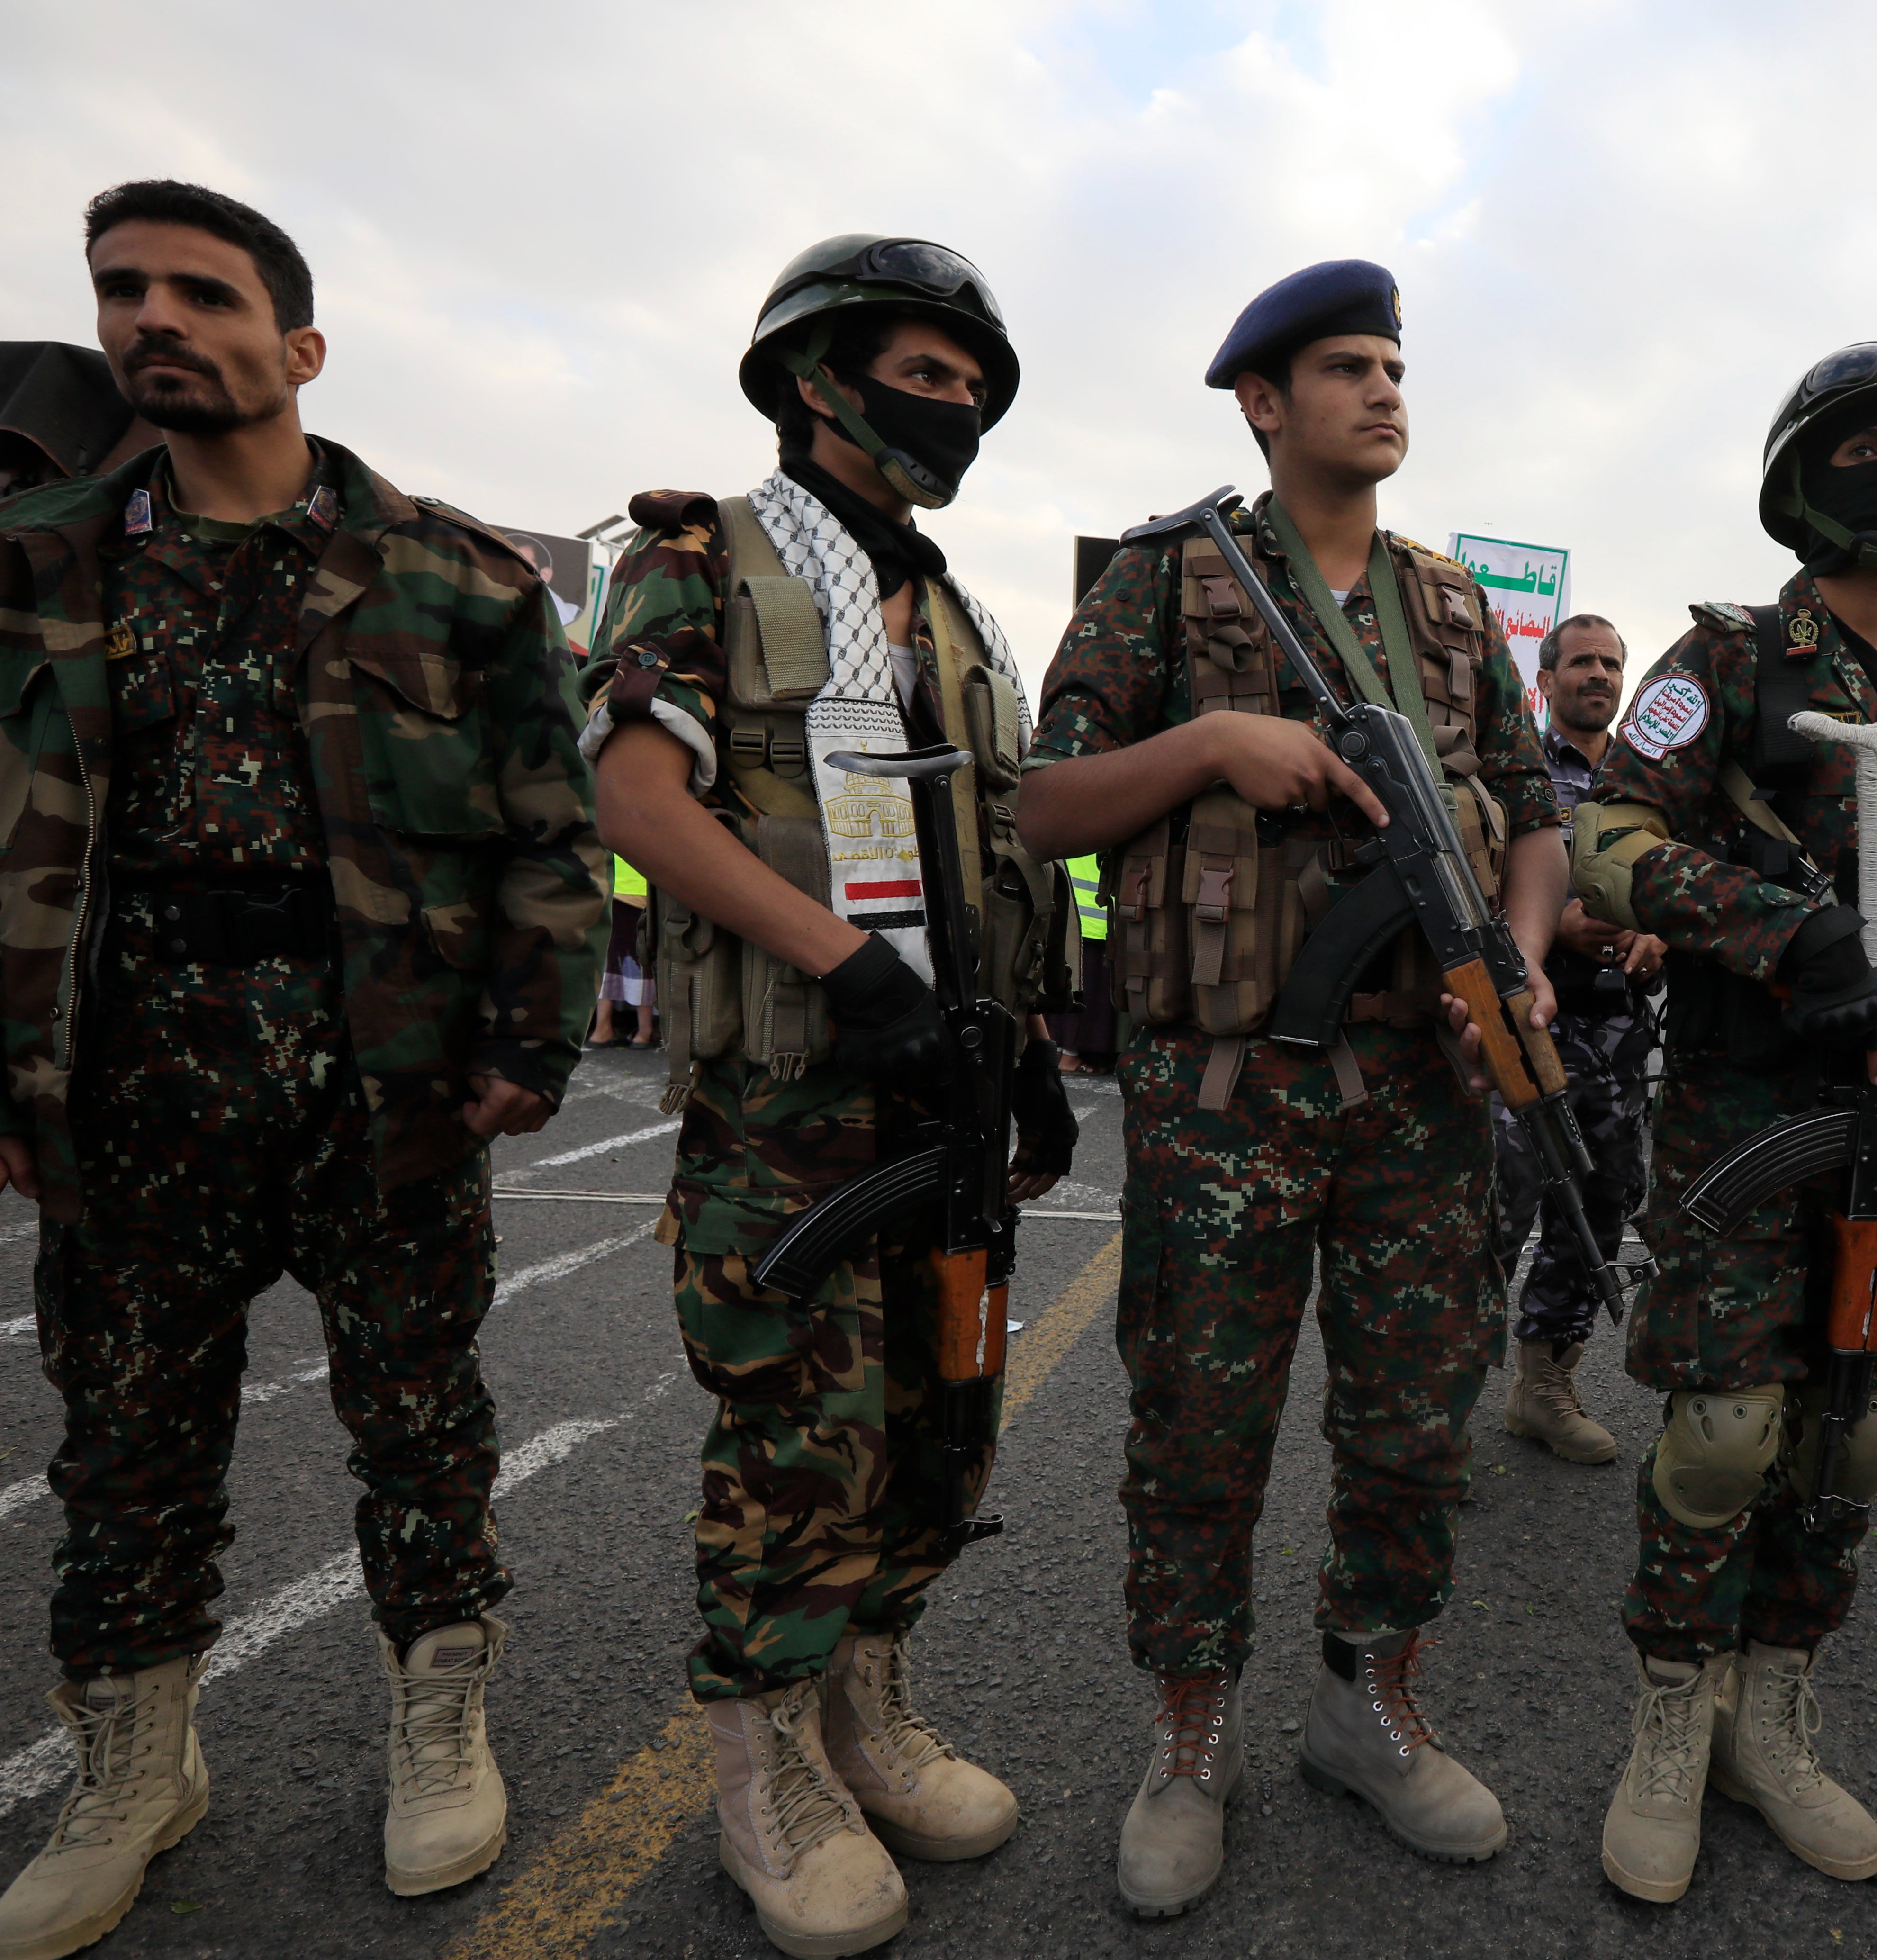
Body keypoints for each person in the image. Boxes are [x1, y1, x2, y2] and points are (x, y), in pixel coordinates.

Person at [0, 179, 605, 1948]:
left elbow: (549, 838)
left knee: (421, 1422)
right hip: (126, 1074)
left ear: (302, 347)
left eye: (202, 293)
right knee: (123, 1444)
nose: (154, 319)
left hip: (383, 1075)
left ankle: (438, 1716)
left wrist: (530, 1036)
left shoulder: (458, 578)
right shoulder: (39, 559)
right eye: (124, 292)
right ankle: (134, 1758)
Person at [1014, 260, 1560, 1917]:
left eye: (1395, 364)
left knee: (1411, 1421)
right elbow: (1038, 808)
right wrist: (1207, 747)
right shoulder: (1163, 581)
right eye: (1345, 367)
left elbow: (1535, 818)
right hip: (1228, 1087)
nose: (1384, 390)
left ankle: (1367, 1702)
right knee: (1201, 1424)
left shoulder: (1454, 604)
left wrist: (1519, 963)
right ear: (1264, 401)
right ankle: (1191, 1731)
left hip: (1424, 1090)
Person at [584, 235, 1076, 1957]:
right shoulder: (692, 557)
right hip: (795, 1094)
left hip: (943, 1090)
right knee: (797, 1443)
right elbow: (647, 804)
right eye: (917, 371)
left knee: (938, 1426)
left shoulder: (952, 611)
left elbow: (997, 843)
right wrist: (851, 969)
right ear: (812, 379)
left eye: (967, 382)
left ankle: (867, 1710)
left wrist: (1027, 1046)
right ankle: (767, 1762)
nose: (948, 402)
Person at [1569, 342, 1877, 1903]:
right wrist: (1777, 928)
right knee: (1728, 1424)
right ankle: (1672, 1713)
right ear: (1798, 479)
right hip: (1753, 1108)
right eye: (1861, 440)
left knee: (1859, 1425)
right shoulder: (1730, 657)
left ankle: (1775, 1705)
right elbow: (1603, 834)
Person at [1490, 613, 1664, 1466]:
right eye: (1582, 662)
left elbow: (1677, 879)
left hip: (1622, 1040)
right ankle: (1429, 1400)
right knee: (1492, 1210)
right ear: (1547, 679)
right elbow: (1474, 880)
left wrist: (1654, 934)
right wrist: (1549, 925)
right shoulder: (1512, 767)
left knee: (1599, 1208)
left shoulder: (1648, 779)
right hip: (1527, 1030)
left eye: (1611, 663)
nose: (1598, 675)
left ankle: (1542, 1387)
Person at [1056, 851, 1117, 1072]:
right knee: (1090, 991)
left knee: (1066, 984)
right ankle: (1071, 1056)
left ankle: (1062, 1049)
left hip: (1068, 910)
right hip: (1096, 916)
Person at [589, 855, 658, 1048]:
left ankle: (601, 1031)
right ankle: (645, 1033)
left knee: (610, 961)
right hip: (641, 892)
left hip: (609, 886)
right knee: (640, 960)